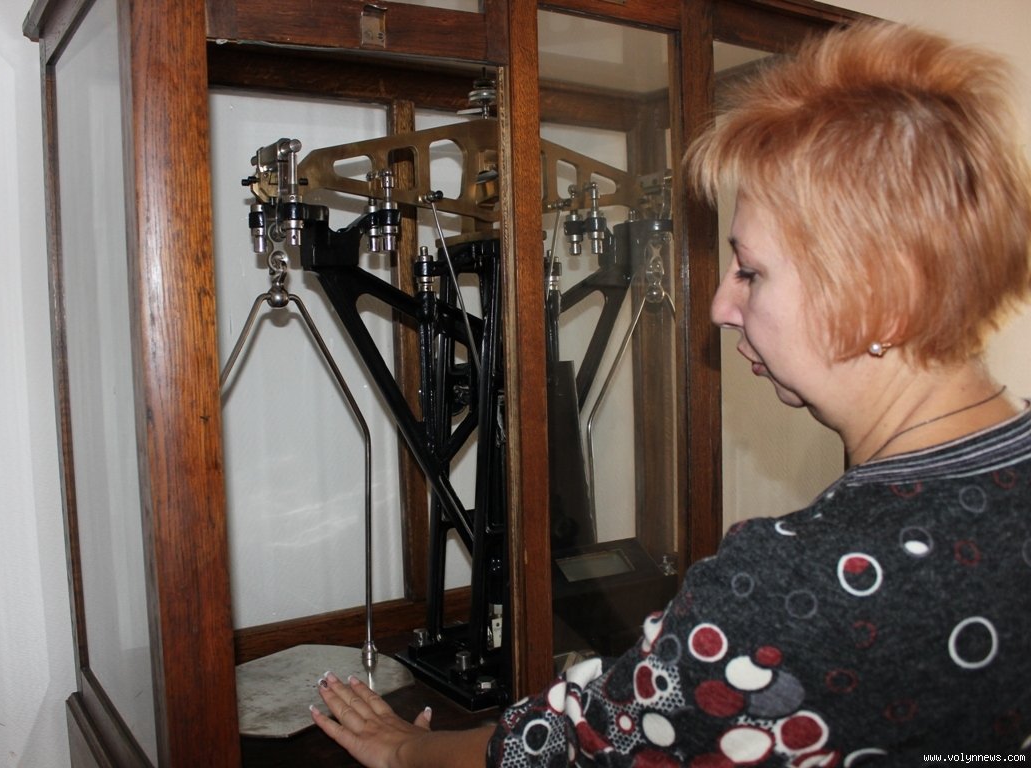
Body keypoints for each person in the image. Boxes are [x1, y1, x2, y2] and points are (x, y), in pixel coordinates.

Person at [310, 20, 1031, 766]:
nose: (720, 306)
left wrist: (404, 753)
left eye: (750, 271)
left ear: (884, 298)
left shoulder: (789, 591)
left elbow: (585, 745)